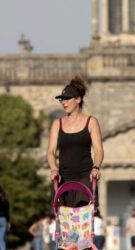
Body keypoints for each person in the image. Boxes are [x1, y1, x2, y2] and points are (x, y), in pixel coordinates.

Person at [47, 76, 104, 207]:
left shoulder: (91, 122)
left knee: (83, 221)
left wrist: (96, 167)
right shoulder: (57, 124)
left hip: (85, 177)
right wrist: (54, 169)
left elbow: (98, 150)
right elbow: (50, 151)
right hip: (63, 178)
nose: (63, 103)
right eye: (62, 100)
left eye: (67, 99)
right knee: (64, 220)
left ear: (78, 99)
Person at [0, 186, 9, 250]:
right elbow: (7, 213)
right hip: (4, 220)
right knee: (2, 238)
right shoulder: (6, 201)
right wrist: (8, 222)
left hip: (2, 219)